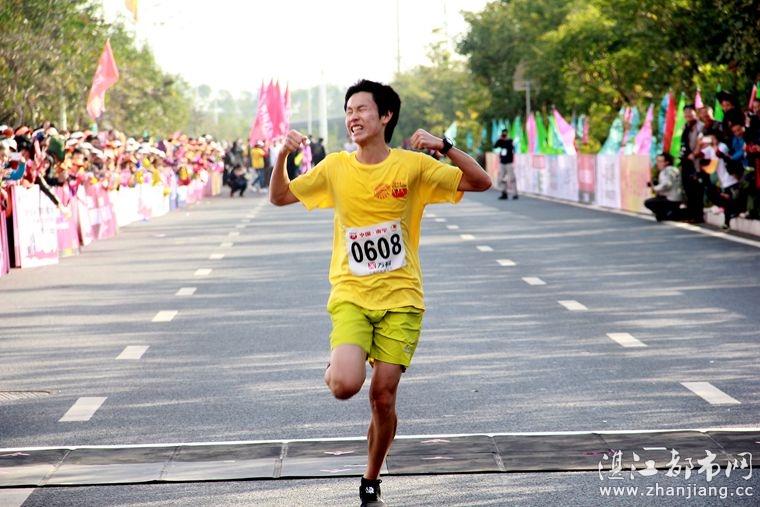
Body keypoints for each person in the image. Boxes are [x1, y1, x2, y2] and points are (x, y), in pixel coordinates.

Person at [269, 79, 491, 506]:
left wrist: (445, 146)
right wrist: (283, 156)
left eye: (362, 109)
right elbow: (279, 197)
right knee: (344, 386)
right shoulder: (335, 167)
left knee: (383, 396)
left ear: (386, 116)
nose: (353, 117)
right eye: (348, 110)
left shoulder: (413, 167)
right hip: (352, 294)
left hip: (402, 299)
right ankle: (338, 365)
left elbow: (480, 181)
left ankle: (371, 479)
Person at [644, 152, 683, 221]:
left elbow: (667, 184)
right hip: (678, 199)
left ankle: (665, 214)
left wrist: (655, 188)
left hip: (671, 199)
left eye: (660, 161)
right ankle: (668, 213)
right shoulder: (674, 169)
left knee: (648, 202)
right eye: (657, 161)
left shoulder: (665, 171)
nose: (658, 164)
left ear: (667, 162)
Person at [493, 129, 516, 199]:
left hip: (509, 162)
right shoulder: (500, 141)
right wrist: (499, 139)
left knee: (512, 178)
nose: (504, 135)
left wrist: (507, 139)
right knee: (502, 178)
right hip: (502, 162)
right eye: (503, 134)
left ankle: (515, 193)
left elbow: (512, 147)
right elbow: (495, 146)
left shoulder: (510, 141)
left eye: (505, 134)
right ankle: (504, 193)